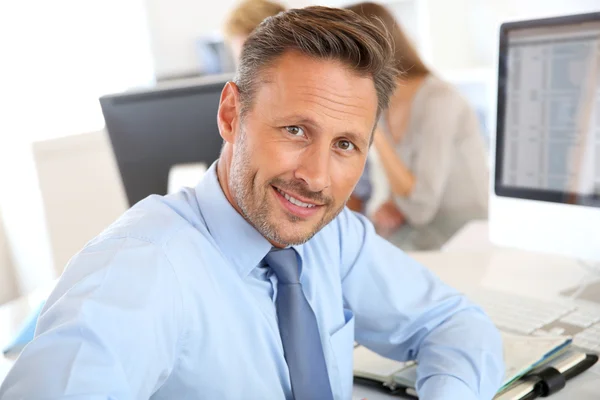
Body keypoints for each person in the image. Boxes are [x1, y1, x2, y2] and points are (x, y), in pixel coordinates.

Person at [0, 6, 503, 400]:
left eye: (345, 145)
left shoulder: (333, 235)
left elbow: (454, 324)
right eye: (294, 130)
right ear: (230, 115)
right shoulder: (140, 267)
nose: (316, 177)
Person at [347, 2, 490, 250]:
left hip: (464, 239)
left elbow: (420, 207)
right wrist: (391, 203)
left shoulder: (439, 100)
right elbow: (405, 189)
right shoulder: (383, 101)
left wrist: (371, 127)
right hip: (417, 233)